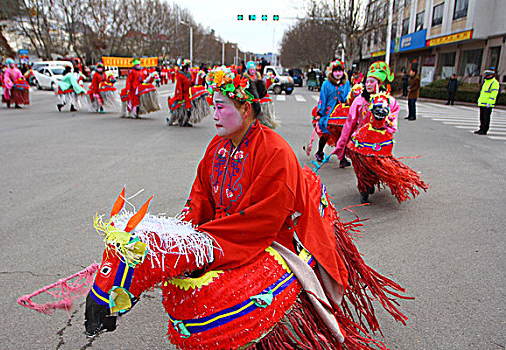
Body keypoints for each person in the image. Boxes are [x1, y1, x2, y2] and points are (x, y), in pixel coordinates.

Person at [81, 66, 410, 349]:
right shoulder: (217, 144)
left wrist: (205, 241)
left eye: (222, 106)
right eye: (213, 106)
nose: (214, 114)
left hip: (267, 233)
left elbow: (263, 218)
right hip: (224, 231)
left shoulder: (276, 151)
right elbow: (200, 195)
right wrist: (185, 231)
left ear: (247, 109)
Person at [332, 61, 427, 204]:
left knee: (376, 166)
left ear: (379, 83)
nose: (368, 84)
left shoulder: (388, 101)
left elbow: (392, 123)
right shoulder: (359, 101)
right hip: (360, 142)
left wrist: (386, 121)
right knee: (362, 169)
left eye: (372, 82)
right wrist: (342, 143)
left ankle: (371, 182)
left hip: (379, 143)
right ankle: (364, 188)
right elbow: (349, 123)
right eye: (367, 82)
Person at [314, 60, 351, 167]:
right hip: (328, 113)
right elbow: (322, 99)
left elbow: (347, 97)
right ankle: (320, 152)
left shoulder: (346, 83)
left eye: (340, 71)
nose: (338, 73)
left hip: (342, 113)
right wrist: (320, 113)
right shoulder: (326, 84)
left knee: (343, 135)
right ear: (332, 72)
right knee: (326, 133)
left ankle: (342, 158)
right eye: (336, 71)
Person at [475, 69, 500, 135]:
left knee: (486, 117)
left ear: (492, 75)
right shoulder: (485, 82)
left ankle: (484, 130)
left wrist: (490, 102)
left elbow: (494, 94)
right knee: (482, 117)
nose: (486, 76)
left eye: (488, 75)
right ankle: (481, 128)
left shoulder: (494, 83)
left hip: (488, 103)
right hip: (482, 102)